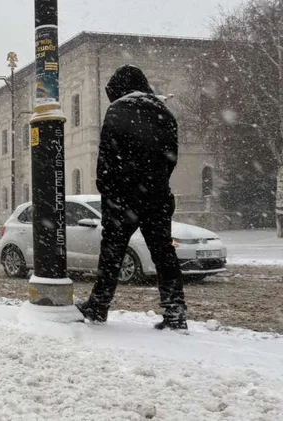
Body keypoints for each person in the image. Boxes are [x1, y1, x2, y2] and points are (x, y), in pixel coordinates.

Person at [76, 65, 187, 330]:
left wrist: (108, 187)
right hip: (157, 195)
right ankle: (175, 313)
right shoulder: (165, 113)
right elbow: (171, 158)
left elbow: (106, 156)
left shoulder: (117, 111)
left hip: (123, 196)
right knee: (164, 254)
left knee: (112, 254)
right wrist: (157, 183)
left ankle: (99, 306)